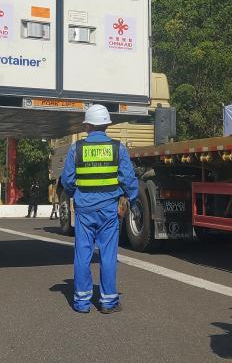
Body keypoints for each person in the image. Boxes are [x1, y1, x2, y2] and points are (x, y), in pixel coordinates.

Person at [61, 104, 138, 314]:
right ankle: (108, 301)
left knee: (82, 254)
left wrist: (74, 195)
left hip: (84, 209)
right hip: (109, 210)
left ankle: (82, 302)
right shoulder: (118, 148)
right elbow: (129, 180)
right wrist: (131, 197)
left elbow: (67, 180)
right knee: (108, 255)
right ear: (106, 125)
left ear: (87, 125)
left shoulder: (76, 148)